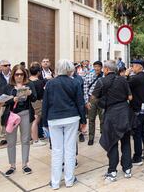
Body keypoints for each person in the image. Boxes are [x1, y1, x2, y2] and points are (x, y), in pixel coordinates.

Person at [42, 59, 86, 190]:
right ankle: (69, 180)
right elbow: (80, 103)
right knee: (70, 149)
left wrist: (44, 122)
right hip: (71, 117)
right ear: (69, 69)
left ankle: (55, 182)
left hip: (54, 118)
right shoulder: (75, 82)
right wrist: (83, 120)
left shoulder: (50, 83)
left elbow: (46, 103)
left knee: (56, 151)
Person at [92, 60, 134, 182]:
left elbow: (94, 97)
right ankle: (127, 169)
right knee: (125, 141)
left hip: (111, 114)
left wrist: (103, 100)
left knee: (112, 143)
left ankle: (112, 171)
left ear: (105, 69)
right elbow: (130, 97)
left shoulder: (101, 81)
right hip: (125, 113)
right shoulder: (122, 79)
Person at [2, 65, 37, 177]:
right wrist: (13, 99)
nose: (19, 76)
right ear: (13, 75)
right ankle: (12, 165)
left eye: (21, 74)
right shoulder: (8, 86)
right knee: (11, 141)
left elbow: (35, 98)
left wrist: (30, 94)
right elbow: (3, 101)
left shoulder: (29, 84)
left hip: (25, 113)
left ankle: (25, 164)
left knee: (25, 139)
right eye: (17, 74)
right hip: (12, 115)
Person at [126, 60, 144, 165]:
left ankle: (137, 158)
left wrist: (126, 75)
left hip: (138, 109)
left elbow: (125, 85)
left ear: (138, 67)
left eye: (133, 66)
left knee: (137, 134)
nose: (132, 68)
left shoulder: (137, 78)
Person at [83, 61, 104, 145]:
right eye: (95, 66)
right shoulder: (88, 76)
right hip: (92, 99)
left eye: (98, 66)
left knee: (103, 118)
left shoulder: (104, 76)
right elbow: (85, 90)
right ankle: (91, 138)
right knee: (91, 119)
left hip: (102, 98)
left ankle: (103, 136)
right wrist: (86, 101)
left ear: (101, 67)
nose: (97, 68)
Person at [29, 65, 46, 147]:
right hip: (37, 102)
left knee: (32, 120)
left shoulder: (27, 81)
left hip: (29, 102)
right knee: (36, 121)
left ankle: (32, 138)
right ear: (39, 72)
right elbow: (41, 94)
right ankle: (35, 139)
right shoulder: (39, 82)